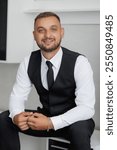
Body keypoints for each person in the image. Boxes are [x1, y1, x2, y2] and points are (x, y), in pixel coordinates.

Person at [0, 12, 95, 150]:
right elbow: (17, 96)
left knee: (79, 129)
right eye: (41, 30)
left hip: (74, 121)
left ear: (61, 32)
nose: (47, 35)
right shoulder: (28, 62)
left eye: (53, 29)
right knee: (5, 119)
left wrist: (51, 122)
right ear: (34, 35)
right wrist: (16, 115)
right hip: (45, 117)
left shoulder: (80, 62)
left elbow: (86, 108)